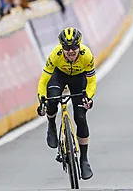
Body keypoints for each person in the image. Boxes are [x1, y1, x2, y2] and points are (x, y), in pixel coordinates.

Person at [36, 27, 95, 180]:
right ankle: (51, 125)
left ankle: (84, 159)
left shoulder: (86, 55)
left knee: (81, 118)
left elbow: (91, 80)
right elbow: (43, 80)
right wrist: (42, 98)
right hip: (59, 77)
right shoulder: (55, 55)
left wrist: (88, 96)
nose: (70, 51)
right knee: (52, 100)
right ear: (62, 47)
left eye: (74, 48)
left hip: (79, 79)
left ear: (79, 46)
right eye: (67, 48)